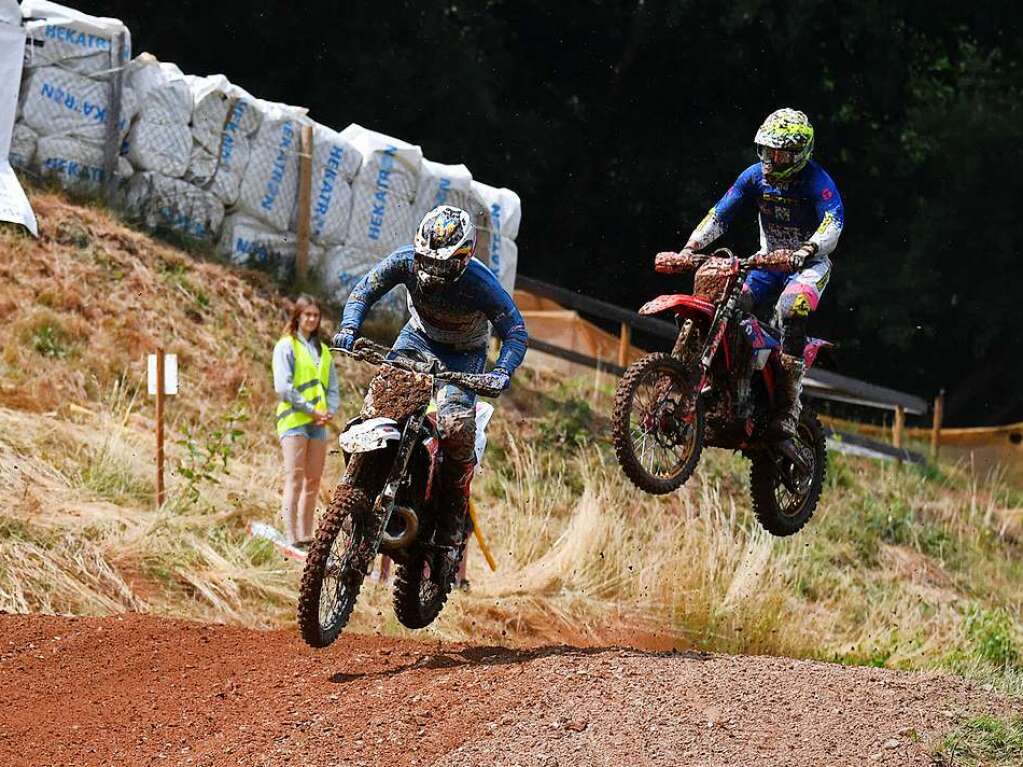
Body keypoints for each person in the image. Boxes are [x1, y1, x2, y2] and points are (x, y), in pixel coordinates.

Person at [333, 205, 528, 574]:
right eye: (426, 260)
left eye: (441, 264)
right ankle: (358, 488)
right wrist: (349, 325)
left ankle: (453, 517)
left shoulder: (481, 284)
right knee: (375, 408)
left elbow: (515, 331)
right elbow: (365, 289)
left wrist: (502, 370)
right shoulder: (405, 261)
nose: (431, 270)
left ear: (464, 258)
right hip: (416, 340)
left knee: (456, 428)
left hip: (464, 354)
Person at [674, 107, 845, 439]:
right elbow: (721, 213)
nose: (771, 159)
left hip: (808, 267)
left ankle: (788, 408)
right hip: (766, 264)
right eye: (767, 150)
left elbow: (833, 221)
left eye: (779, 153)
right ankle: (725, 384)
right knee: (727, 302)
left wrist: (807, 249)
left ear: (799, 153)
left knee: (791, 307)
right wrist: (690, 247)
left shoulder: (818, 181)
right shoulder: (753, 176)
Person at [272, 294, 340, 549]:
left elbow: (332, 388)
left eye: (315, 315)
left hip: (318, 424)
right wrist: (311, 410)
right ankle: (291, 535)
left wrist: (328, 410)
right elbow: (283, 387)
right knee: (295, 478)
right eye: (307, 314)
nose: (312, 319)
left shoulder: (322, 351)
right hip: (294, 420)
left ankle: (305, 534)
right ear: (298, 316)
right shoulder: (286, 346)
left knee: (313, 480)